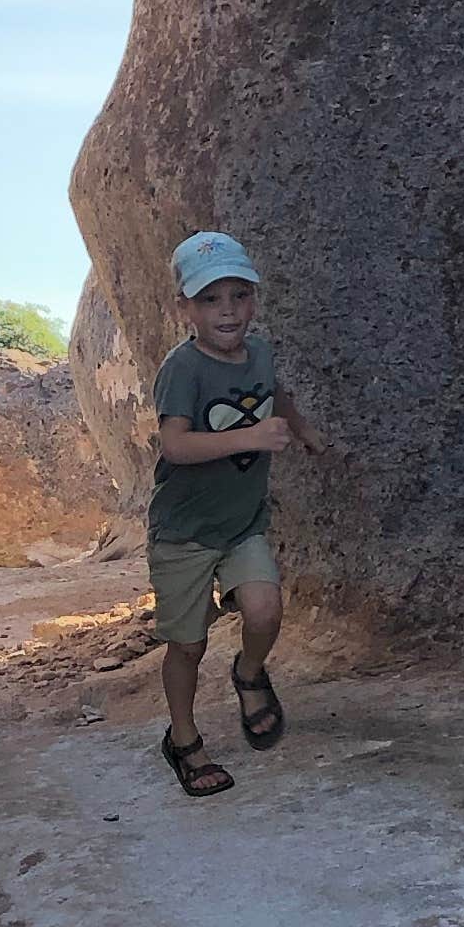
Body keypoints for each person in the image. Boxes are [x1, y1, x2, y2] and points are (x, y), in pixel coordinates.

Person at [147, 232, 321, 799]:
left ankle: (249, 673)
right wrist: (252, 436)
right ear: (186, 308)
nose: (227, 311)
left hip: (242, 521)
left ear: (253, 300)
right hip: (185, 533)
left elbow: (274, 390)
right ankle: (184, 737)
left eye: (238, 296)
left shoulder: (262, 350)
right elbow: (174, 446)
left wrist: (303, 429)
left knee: (265, 610)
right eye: (210, 299)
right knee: (188, 646)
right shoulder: (183, 369)